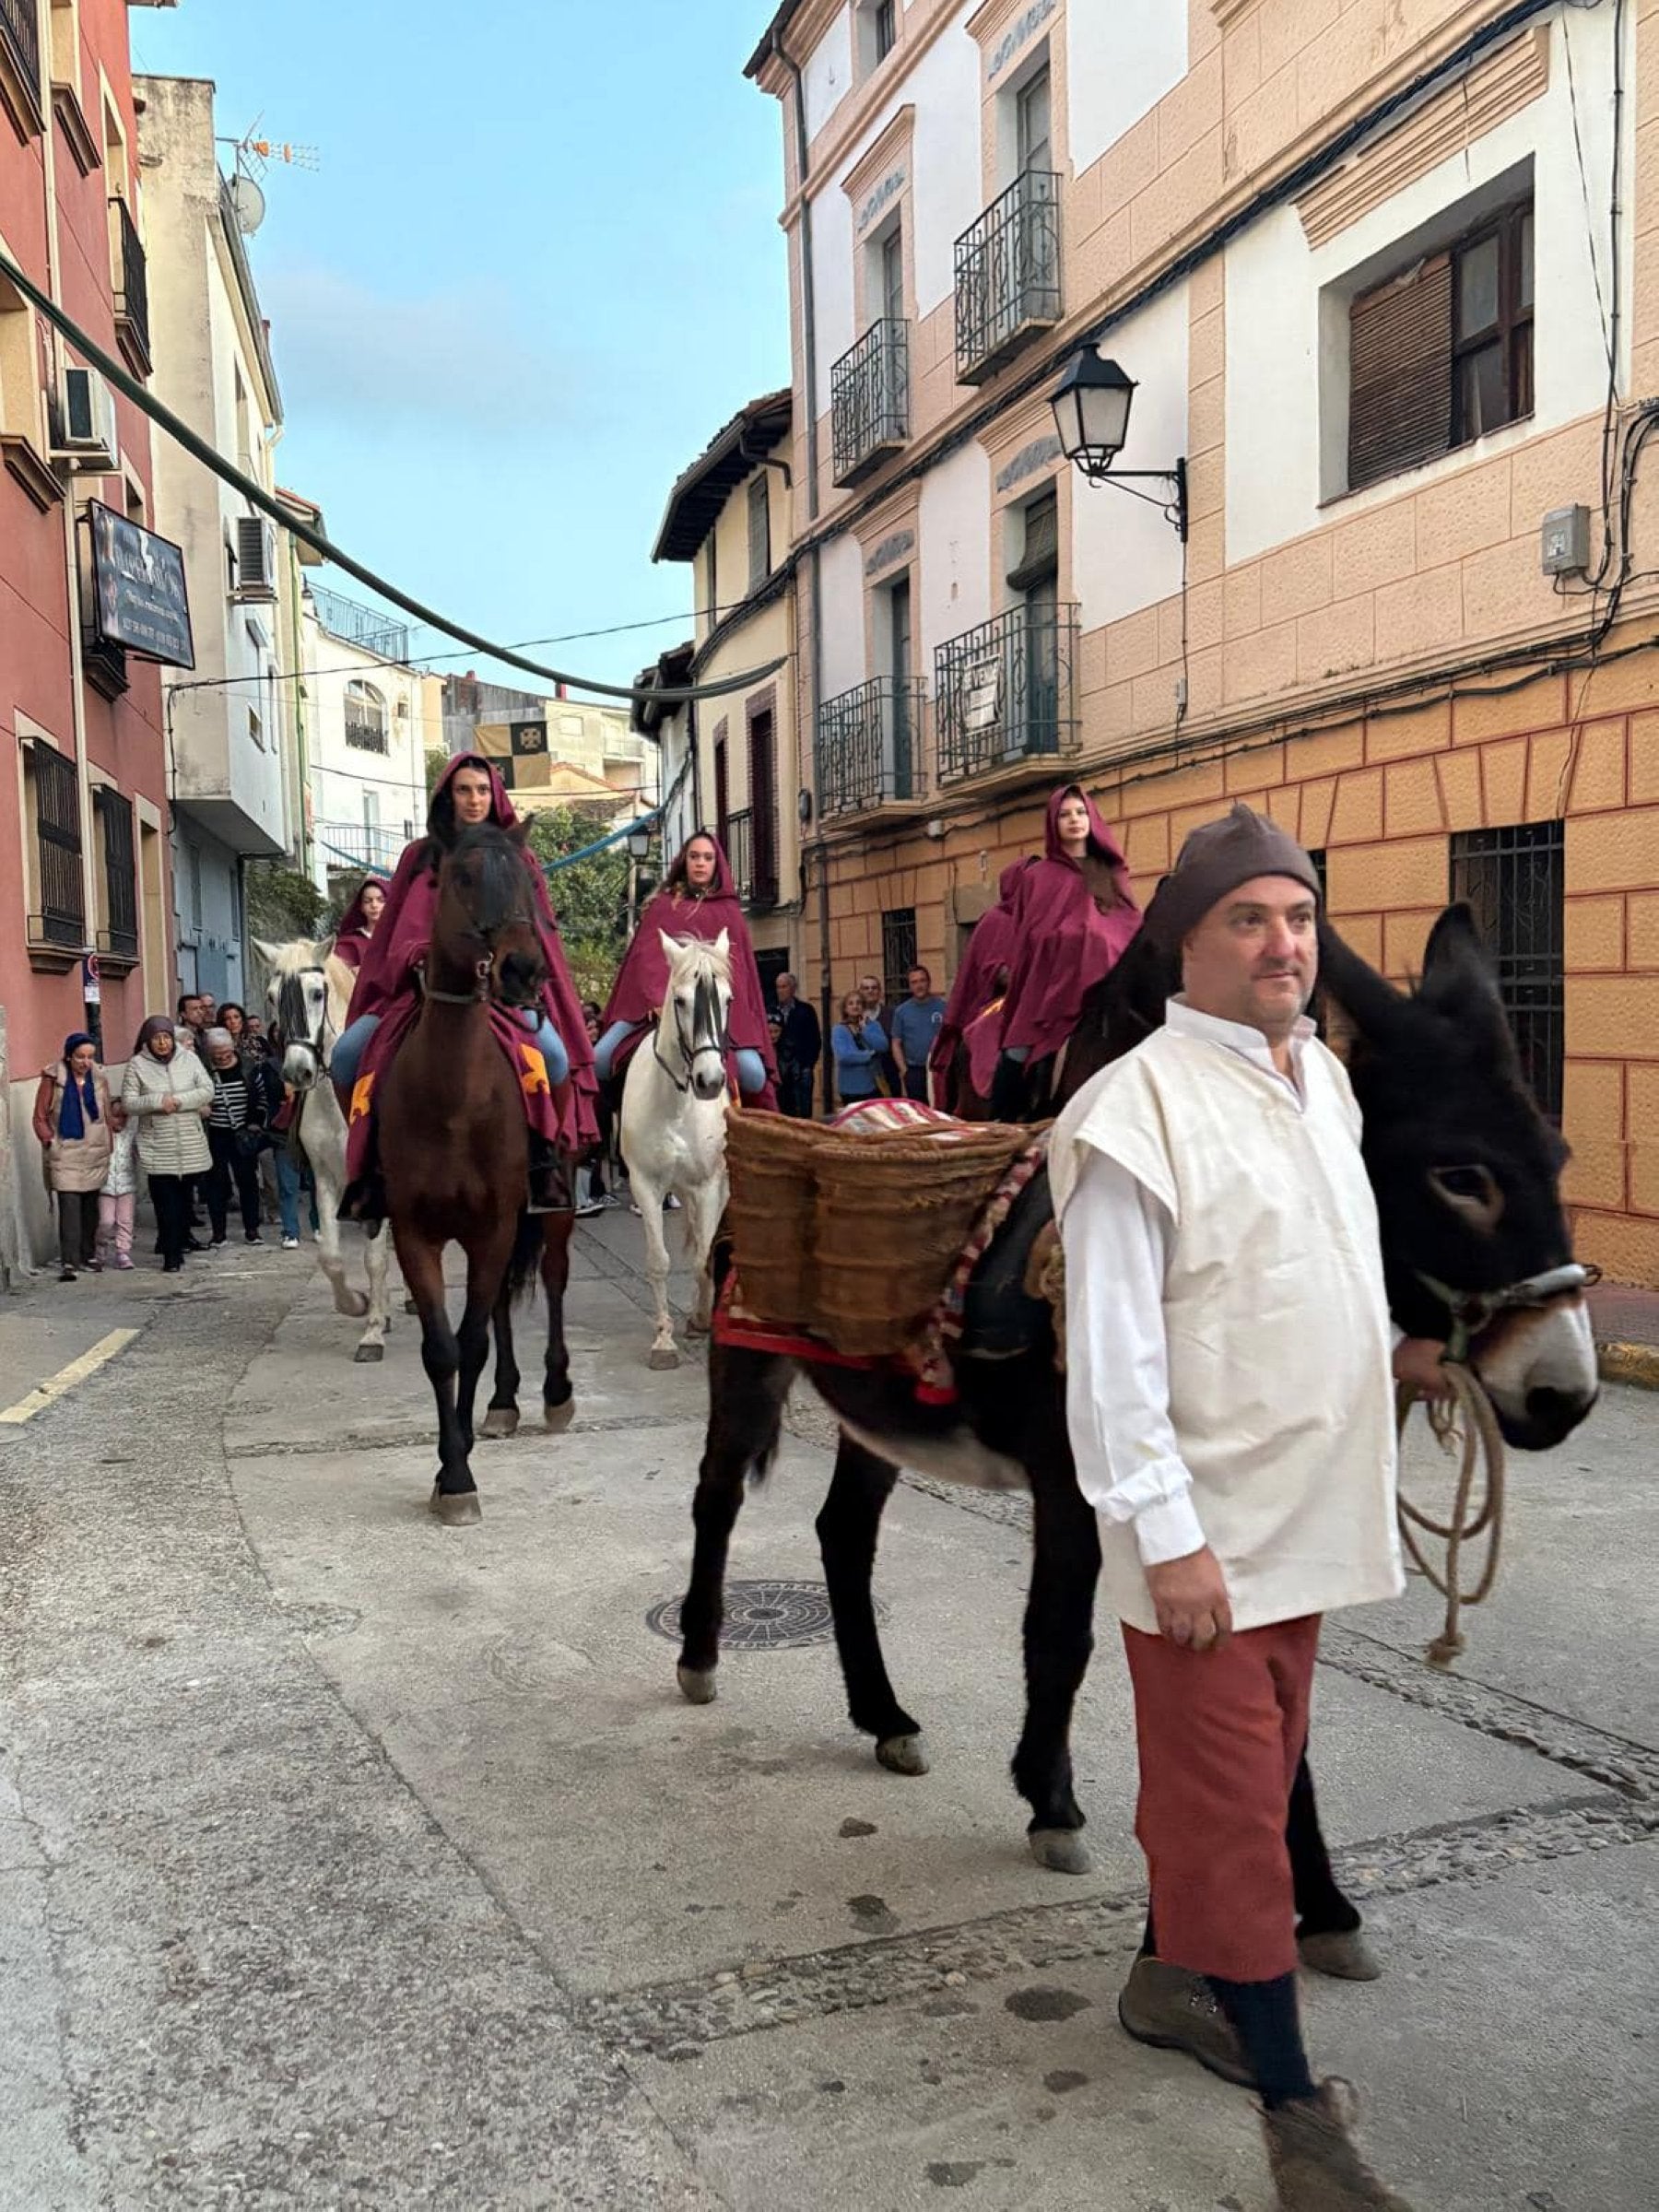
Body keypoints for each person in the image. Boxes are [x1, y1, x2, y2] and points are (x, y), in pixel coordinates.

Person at [1051, 805, 1442, 2212]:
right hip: (1208, 1546)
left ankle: (1168, 1986)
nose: (1287, 944)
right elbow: (1112, 1363)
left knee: (1260, 1784)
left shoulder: (1321, 1083)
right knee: (1236, 1823)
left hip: (1311, 1521)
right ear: (1187, 943)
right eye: (1251, 920)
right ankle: (1298, 2128)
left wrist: (1404, 1352)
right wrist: (1171, 1540)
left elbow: (1314, 1266)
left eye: (1300, 917)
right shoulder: (1130, 1115)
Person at [335, 754, 595, 1212]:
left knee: (553, 1056)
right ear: (447, 796)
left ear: (494, 795)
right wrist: (418, 956)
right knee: (346, 1056)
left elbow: (532, 928)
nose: (474, 799)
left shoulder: (519, 856)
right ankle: (370, 1164)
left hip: (499, 993)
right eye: (463, 790)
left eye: (481, 790)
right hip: (420, 994)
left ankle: (543, 1161)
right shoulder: (419, 857)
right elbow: (398, 930)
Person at [596, 830, 778, 1109]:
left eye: (707, 857)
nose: (700, 863)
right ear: (684, 861)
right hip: (658, 1008)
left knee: (754, 1076)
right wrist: (657, 999)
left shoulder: (730, 912)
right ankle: (601, 1138)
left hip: (716, 1014)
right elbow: (646, 958)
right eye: (694, 856)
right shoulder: (662, 906)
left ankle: (750, 1142)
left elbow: (738, 971)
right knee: (600, 1059)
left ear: (716, 863)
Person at [990, 784, 1141, 1120]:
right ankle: (1002, 1121)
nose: (1074, 820)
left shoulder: (1110, 872)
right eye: (1065, 814)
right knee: (1017, 1051)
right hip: (1049, 988)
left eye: (1080, 812)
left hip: (1104, 988)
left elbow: (1128, 926)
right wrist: (1068, 939)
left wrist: (1097, 944)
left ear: (1091, 818)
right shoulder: (1038, 878)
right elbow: (1031, 936)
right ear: (1052, 823)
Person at [929, 860, 1032, 1110]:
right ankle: (998, 1103)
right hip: (1002, 1000)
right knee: (992, 1032)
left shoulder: (1041, 919)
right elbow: (994, 969)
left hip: (1042, 997)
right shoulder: (995, 920)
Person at [123, 1017, 213, 1274]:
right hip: (157, 1144)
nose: (162, 1043)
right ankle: (170, 1254)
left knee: (185, 1201)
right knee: (165, 1203)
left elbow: (207, 1090)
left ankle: (181, 1242)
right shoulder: (136, 1065)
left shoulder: (189, 1059)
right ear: (147, 1041)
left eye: (166, 1038)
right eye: (156, 1039)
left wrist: (179, 1101)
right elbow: (129, 1103)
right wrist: (157, 1101)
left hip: (189, 1141)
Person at [33, 1032, 113, 1281]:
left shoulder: (99, 1077)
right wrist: (48, 1139)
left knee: (91, 1208)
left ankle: (88, 1254)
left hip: (95, 1150)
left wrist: (111, 1137)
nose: (85, 1062)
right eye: (80, 1057)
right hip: (65, 1150)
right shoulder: (53, 1078)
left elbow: (107, 1112)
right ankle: (69, 1260)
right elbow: (40, 1116)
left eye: (90, 1057)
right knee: (69, 1208)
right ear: (69, 1056)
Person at [888, 964, 945, 1104]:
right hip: (914, 1071)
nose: (919, 985)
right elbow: (896, 1043)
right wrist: (904, 1071)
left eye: (922, 980)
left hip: (938, 1069)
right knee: (918, 1110)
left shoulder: (943, 1007)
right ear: (910, 986)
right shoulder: (901, 1011)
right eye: (914, 982)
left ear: (929, 982)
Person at [771, 971, 822, 1118]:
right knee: (782, 1111)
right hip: (779, 1068)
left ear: (793, 988)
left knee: (803, 1111)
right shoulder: (770, 1010)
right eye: (778, 987)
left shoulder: (806, 1010)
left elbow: (815, 1040)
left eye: (784, 986)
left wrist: (807, 1065)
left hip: (801, 1068)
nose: (780, 991)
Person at [97, 1097, 138, 1271]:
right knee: (106, 1221)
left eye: (123, 1116)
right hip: (105, 1186)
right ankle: (100, 1248)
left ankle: (123, 1251)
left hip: (126, 1185)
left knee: (125, 1220)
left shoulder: (130, 1135)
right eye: (115, 1116)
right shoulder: (102, 1136)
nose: (119, 1120)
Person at [830, 989, 888, 1104]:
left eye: (858, 1003)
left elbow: (883, 1046)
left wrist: (865, 1030)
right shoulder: (839, 1029)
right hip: (850, 1088)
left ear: (863, 1007)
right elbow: (845, 1056)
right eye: (851, 1003)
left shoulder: (873, 1025)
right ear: (845, 1009)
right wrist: (870, 1055)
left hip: (873, 1085)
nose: (855, 1006)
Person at [857, 971, 901, 1097]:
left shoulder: (892, 1014)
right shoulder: (853, 1016)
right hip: (862, 1077)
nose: (870, 991)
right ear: (860, 992)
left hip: (888, 1074)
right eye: (866, 988)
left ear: (880, 992)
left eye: (874, 988)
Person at [332, 877, 386, 971]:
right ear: (361, 907)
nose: (374, 905)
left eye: (381, 900)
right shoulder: (349, 944)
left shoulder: (400, 940)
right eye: (367, 901)